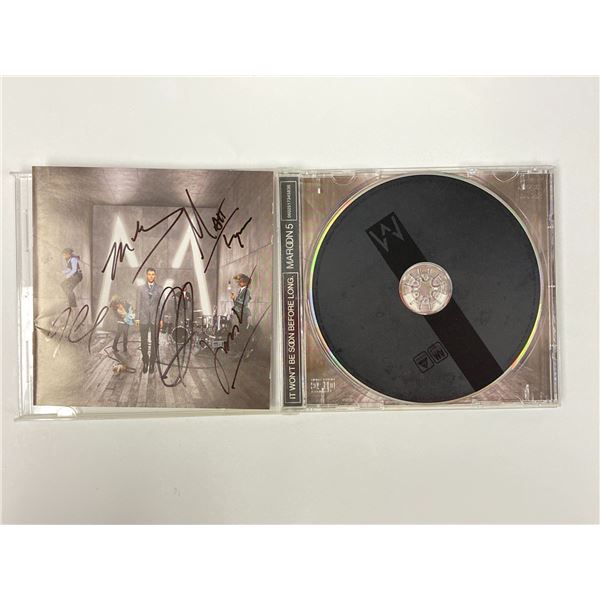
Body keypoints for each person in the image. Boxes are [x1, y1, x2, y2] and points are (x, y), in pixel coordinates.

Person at [135, 268, 163, 374]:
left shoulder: (160, 288)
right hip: (143, 318)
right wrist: (137, 318)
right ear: (146, 275)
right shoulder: (140, 288)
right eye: (149, 274)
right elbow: (138, 303)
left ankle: (152, 363)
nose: (151, 276)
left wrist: (161, 318)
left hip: (155, 318)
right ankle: (145, 361)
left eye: (153, 274)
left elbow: (161, 305)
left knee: (155, 342)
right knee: (143, 341)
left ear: (155, 276)